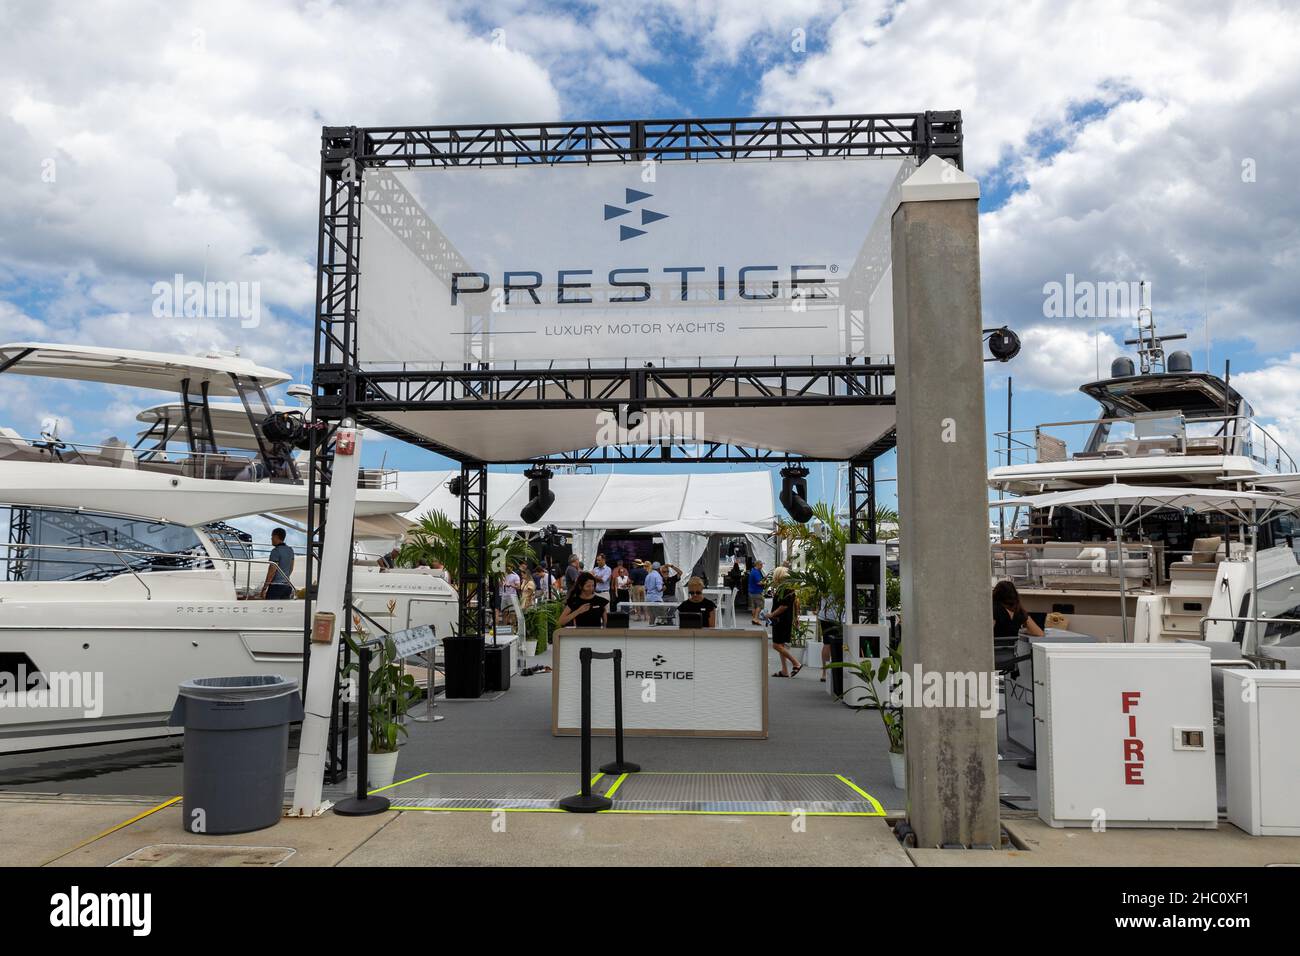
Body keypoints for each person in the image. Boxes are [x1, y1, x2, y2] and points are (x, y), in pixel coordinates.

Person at [765, 566, 802, 676]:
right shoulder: (787, 588)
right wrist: (796, 618)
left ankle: (796, 663)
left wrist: (771, 614)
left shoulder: (785, 589)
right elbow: (794, 604)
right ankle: (784, 670)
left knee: (776, 645)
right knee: (780, 644)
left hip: (781, 620)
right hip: (783, 619)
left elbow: (784, 606)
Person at [260, 528, 295, 600]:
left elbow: (272, 571)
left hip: (276, 587)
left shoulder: (275, 551)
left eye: (272, 536)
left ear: (276, 537)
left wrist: (264, 588)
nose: (271, 538)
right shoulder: (290, 550)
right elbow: (291, 568)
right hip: (287, 586)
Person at [748, 559, 766, 624]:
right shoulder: (756, 572)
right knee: (759, 605)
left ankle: (754, 619)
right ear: (758, 565)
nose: (762, 566)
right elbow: (758, 582)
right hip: (756, 592)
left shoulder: (752, 571)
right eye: (761, 565)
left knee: (754, 607)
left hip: (751, 591)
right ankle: (756, 618)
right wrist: (765, 583)